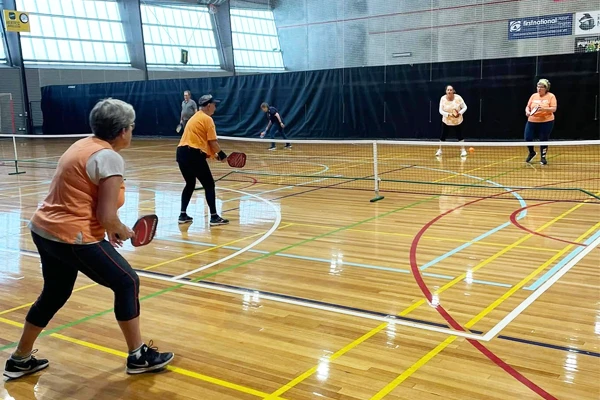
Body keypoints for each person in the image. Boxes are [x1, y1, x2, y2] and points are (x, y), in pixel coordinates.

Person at [3, 98, 174, 380]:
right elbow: (107, 215)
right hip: (71, 235)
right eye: (131, 126)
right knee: (127, 282)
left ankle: (20, 359)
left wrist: (109, 227)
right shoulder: (109, 158)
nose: (132, 131)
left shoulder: (83, 145)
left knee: (55, 293)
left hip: (44, 229)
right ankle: (138, 356)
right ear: (123, 130)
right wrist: (119, 228)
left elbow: (84, 196)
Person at [176, 94, 229, 226]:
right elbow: (212, 142)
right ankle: (214, 217)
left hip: (181, 153)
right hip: (192, 153)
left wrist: (215, 156)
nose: (215, 107)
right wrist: (222, 155)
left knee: (190, 183)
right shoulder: (207, 119)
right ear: (209, 106)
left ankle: (182, 215)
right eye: (214, 105)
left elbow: (200, 144)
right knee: (209, 184)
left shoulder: (195, 118)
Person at [524, 79, 557, 165]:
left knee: (543, 139)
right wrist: (527, 112)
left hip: (546, 121)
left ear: (546, 88)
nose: (539, 89)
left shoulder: (551, 96)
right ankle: (532, 152)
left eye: (541, 87)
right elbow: (528, 106)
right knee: (528, 137)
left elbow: (554, 108)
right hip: (532, 120)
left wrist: (544, 109)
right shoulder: (533, 96)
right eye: (538, 87)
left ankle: (543, 157)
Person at [436, 85, 467, 157]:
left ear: (453, 91)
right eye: (448, 90)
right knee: (443, 136)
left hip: (457, 121)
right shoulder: (443, 98)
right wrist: (448, 114)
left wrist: (460, 113)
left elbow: (465, 107)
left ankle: (463, 150)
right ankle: (440, 150)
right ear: (446, 91)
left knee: (460, 136)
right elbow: (440, 110)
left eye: (451, 90)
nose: (449, 91)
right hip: (446, 121)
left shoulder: (458, 98)